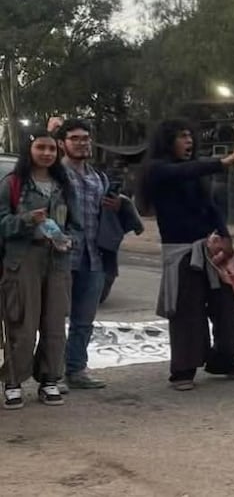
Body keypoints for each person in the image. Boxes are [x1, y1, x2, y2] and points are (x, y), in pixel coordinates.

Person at [140, 119, 234, 391]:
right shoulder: (157, 170)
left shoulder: (195, 173)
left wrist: (227, 239)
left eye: (190, 135)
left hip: (212, 249)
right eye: (181, 136)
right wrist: (223, 163)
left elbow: (210, 207)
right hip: (182, 252)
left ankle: (223, 360)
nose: (188, 141)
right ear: (167, 141)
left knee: (227, 305)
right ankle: (183, 370)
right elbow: (184, 172)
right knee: (187, 312)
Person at [1, 126, 78, 409]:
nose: (47, 154)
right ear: (29, 150)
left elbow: (77, 227)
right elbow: (2, 224)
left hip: (58, 262)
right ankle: (13, 382)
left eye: (51, 149)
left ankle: (49, 379)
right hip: (22, 261)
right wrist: (26, 221)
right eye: (40, 148)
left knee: (55, 324)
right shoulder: (12, 184)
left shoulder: (64, 185)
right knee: (22, 323)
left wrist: (69, 241)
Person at [55, 118, 118, 390]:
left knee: (84, 320)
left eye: (85, 138)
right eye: (75, 139)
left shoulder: (98, 177)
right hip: (62, 257)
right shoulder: (55, 174)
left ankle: (76, 369)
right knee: (55, 319)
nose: (82, 143)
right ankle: (52, 373)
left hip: (95, 257)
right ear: (62, 143)